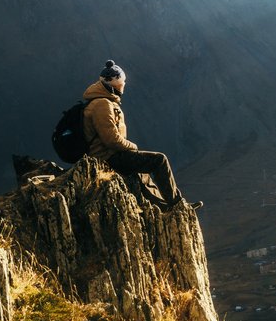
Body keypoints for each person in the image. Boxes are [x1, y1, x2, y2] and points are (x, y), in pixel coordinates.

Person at [82, 60, 202, 212]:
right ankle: (176, 203)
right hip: (107, 158)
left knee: (141, 170)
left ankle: (164, 206)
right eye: (122, 82)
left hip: (107, 155)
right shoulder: (102, 105)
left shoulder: (101, 101)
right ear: (115, 84)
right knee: (159, 160)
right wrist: (132, 146)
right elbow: (110, 139)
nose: (124, 85)